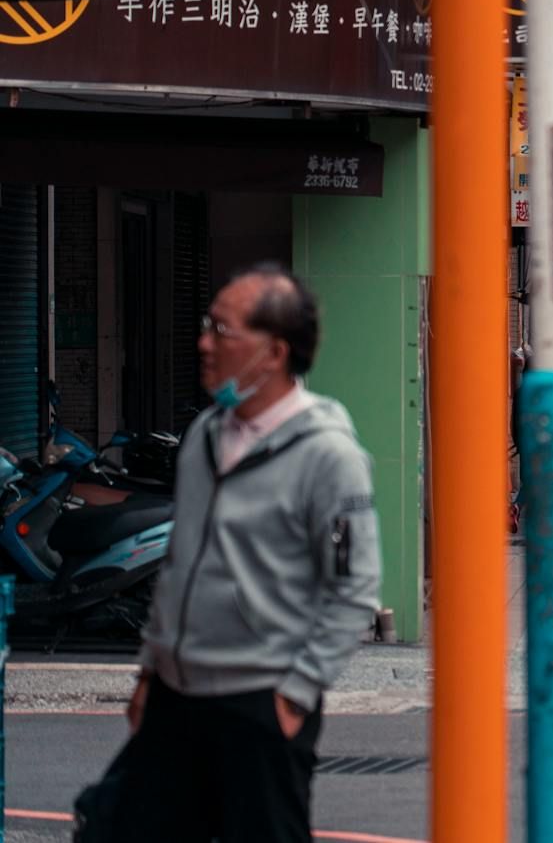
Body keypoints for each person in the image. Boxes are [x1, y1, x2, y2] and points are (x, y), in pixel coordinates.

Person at [98, 265, 380, 843]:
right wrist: (151, 671)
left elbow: (353, 590)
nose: (204, 342)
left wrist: (294, 696)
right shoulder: (203, 434)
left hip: (261, 702)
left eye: (222, 331)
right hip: (175, 695)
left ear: (274, 352)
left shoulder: (328, 455)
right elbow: (180, 562)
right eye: (208, 325)